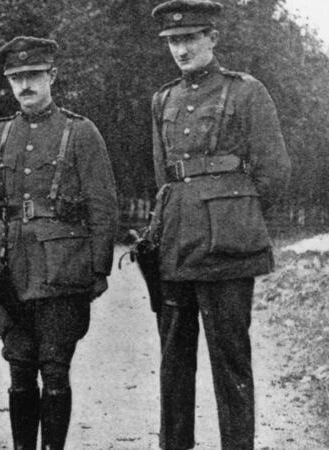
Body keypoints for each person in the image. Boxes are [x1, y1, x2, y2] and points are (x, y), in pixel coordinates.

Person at [149, 1, 291, 448]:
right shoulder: (163, 99)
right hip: (176, 246)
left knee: (231, 362)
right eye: (173, 41)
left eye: (190, 38)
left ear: (212, 38)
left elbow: (274, 171)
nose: (181, 49)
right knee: (174, 360)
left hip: (228, 249)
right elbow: (163, 175)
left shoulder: (246, 92)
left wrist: (237, 216)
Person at [0, 36, 118, 449]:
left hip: (63, 269)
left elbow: (102, 204)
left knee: (54, 368)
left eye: (33, 75)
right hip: (10, 270)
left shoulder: (80, 132)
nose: (25, 85)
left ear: (52, 76)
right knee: (19, 367)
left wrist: (99, 269)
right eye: (16, 78)